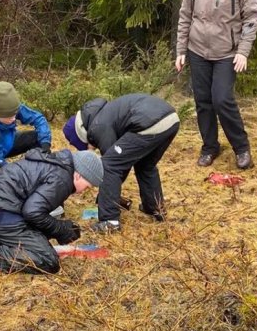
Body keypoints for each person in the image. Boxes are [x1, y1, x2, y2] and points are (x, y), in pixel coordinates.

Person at [175, 0, 257, 170]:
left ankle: (241, 148)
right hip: (198, 50)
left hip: (227, 53)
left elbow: (252, 18)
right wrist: (181, 50)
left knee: (222, 99)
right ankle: (210, 147)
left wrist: (243, 51)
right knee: (203, 101)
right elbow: (185, 17)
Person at [0, 148, 104, 276]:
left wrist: (58, 229)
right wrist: (60, 229)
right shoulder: (62, 178)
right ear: (78, 175)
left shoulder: (53, 165)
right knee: (48, 260)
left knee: (37, 242)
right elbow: (33, 212)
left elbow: (32, 212)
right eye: (88, 185)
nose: (85, 191)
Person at [61, 94, 179, 234]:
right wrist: (108, 194)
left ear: (81, 135)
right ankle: (154, 208)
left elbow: (113, 166)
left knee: (109, 165)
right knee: (146, 165)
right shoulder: (104, 114)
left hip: (149, 121)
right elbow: (122, 163)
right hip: (170, 119)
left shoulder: (97, 127)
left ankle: (110, 221)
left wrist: (105, 197)